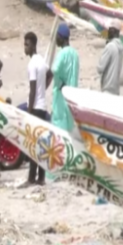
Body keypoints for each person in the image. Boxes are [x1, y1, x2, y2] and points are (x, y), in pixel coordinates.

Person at [23, 32, 52, 187]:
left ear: (33, 45)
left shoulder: (32, 64)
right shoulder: (42, 60)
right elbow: (50, 74)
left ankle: (31, 178)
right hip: (43, 106)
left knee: (33, 145)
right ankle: (41, 178)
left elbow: (32, 90)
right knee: (40, 144)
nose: (25, 47)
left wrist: (28, 112)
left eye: (27, 44)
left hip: (35, 107)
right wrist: (44, 90)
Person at [50, 23, 80, 134]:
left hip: (61, 98)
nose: (56, 39)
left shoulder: (62, 53)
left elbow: (55, 69)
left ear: (61, 37)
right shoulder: (75, 54)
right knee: (69, 130)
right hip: (72, 98)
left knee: (59, 130)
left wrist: (60, 82)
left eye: (57, 36)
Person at [97, 20, 123, 96]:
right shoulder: (121, 47)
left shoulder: (110, 47)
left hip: (107, 88)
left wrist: (105, 49)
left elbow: (100, 68)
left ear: (114, 31)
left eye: (110, 29)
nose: (108, 31)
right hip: (116, 89)